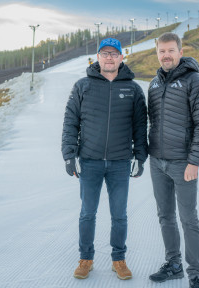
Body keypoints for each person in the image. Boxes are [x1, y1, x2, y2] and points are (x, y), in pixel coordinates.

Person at [62, 38, 148, 280]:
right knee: (88, 213)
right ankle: (85, 258)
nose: (109, 57)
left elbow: (140, 126)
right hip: (89, 161)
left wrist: (140, 156)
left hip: (120, 162)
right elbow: (71, 122)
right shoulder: (83, 86)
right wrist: (69, 155)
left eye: (114, 53)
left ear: (122, 57)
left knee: (119, 215)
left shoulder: (133, 89)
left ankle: (118, 260)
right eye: (104, 53)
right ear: (97, 57)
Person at [147, 32, 199, 288]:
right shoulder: (153, 84)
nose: (166, 55)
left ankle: (195, 274)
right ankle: (173, 264)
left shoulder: (194, 81)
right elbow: (152, 123)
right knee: (165, 216)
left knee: (189, 219)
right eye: (161, 51)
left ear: (180, 52)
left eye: (171, 50)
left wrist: (194, 161)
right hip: (157, 162)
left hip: (183, 164)